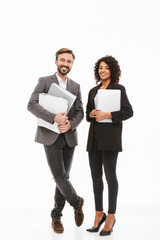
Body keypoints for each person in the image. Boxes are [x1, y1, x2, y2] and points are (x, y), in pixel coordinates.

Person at [27, 48, 84, 234]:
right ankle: (77, 202)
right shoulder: (44, 81)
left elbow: (80, 112)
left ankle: (56, 217)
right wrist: (54, 118)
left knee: (63, 179)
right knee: (59, 177)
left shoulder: (75, 86)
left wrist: (70, 125)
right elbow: (31, 105)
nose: (65, 64)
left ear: (72, 64)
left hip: (68, 137)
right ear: (56, 61)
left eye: (69, 61)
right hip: (50, 136)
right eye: (62, 60)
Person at [86, 55, 133, 236]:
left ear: (112, 70)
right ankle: (99, 214)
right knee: (96, 178)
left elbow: (128, 111)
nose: (102, 70)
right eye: (100, 68)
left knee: (110, 177)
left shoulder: (119, 89)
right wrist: (91, 114)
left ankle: (111, 216)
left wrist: (108, 115)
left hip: (110, 139)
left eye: (106, 67)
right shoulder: (93, 91)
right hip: (94, 139)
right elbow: (86, 116)